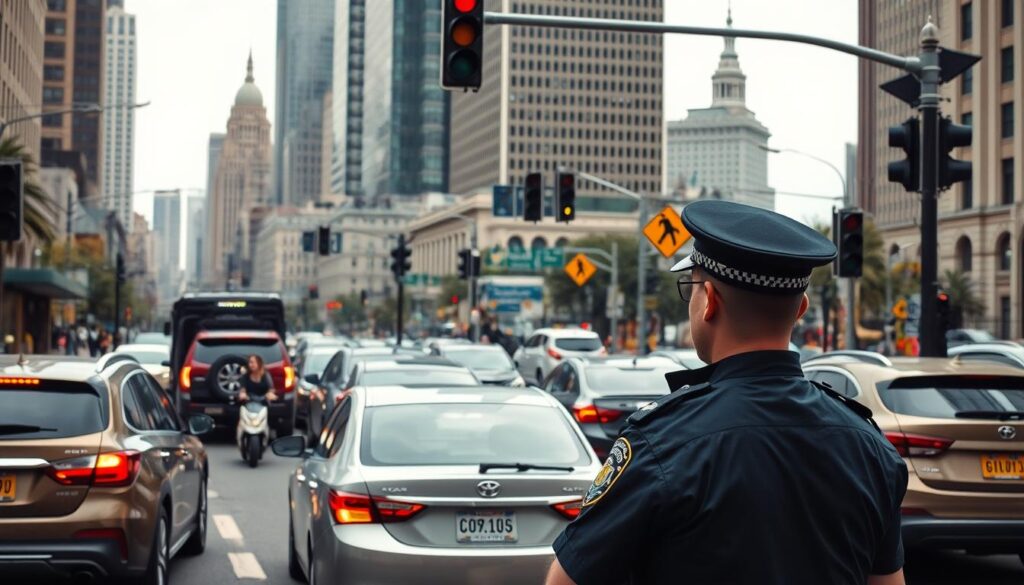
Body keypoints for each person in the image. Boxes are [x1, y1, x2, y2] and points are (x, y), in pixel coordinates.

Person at [546, 200, 908, 585]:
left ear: (710, 302)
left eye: (693, 288)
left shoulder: (661, 444)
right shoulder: (870, 447)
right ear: (801, 308)